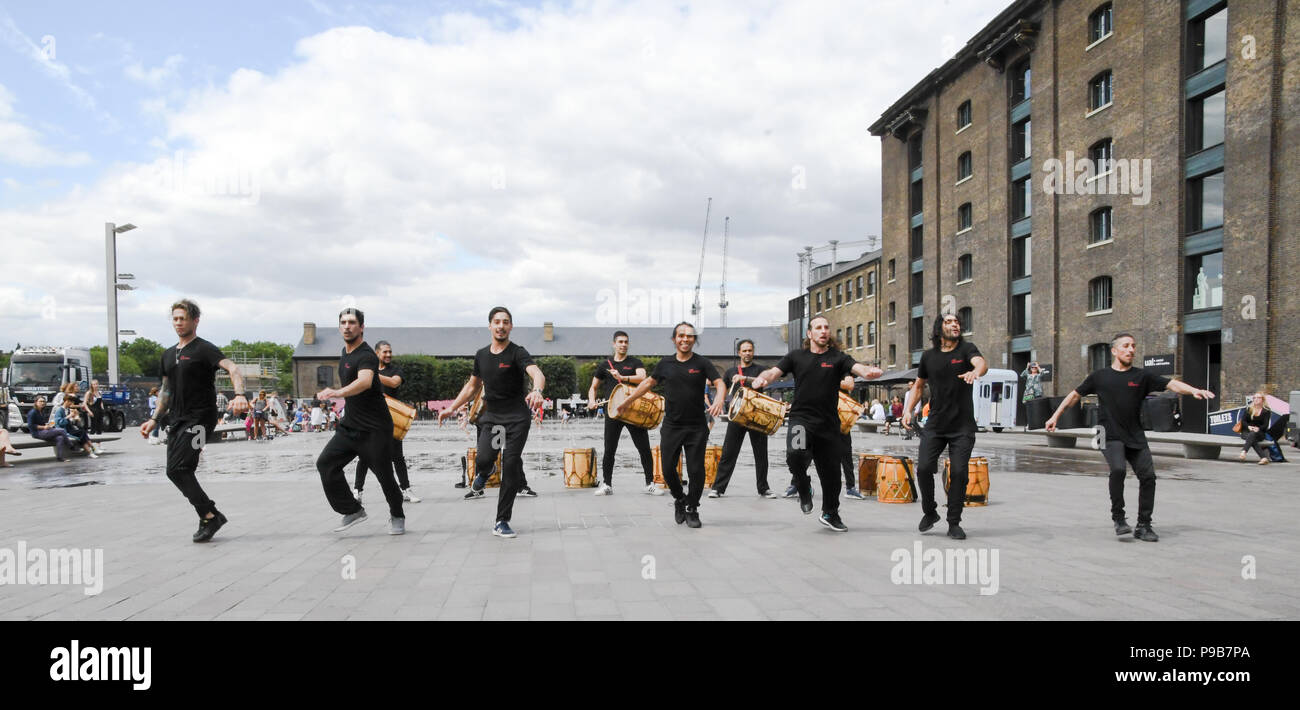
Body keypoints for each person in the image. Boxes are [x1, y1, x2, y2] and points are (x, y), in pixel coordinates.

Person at [1045, 332, 1215, 542]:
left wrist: (1193, 390)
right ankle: (1119, 518)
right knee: (1118, 470)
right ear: (1115, 351)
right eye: (1126, 346)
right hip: (1106, 432)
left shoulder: (1141, 376)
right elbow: (1074, 395)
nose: (1131, 349)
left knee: (1149, 477)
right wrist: (1055, 416)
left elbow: (1171, 384)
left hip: (1134, 433)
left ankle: (1144, 525)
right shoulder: (1100, 376)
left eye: (1133, 346)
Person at [751, 315, 883, 532]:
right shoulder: (796, 357)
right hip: (801, 420)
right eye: (818, 328)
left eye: (826, 327)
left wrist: (868, 372)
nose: (823, 331)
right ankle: (804, 486)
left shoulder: (838, 358)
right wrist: (763, 379)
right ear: (809, 334)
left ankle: (830, 513)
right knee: (795, 455)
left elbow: (856, 369)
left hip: (828, 426)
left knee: (831, 476)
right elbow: (773, 372)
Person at [140, 299, 251, 543]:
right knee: (175, 471)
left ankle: (210, 516)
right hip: (177, 419)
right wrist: (154, 419)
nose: (178, 323)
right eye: (175, 318)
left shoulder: (204, 349)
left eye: (183, 318)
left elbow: (232, 368)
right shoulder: (168, 355)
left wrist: (240, 394)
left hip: (201, 419)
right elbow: (166, 391)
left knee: (180, 468)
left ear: (195, 321)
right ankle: (209, 515)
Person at [439, 306, 546, 538]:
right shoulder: (482, 355)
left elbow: (537, 373)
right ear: (490, 326)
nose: (501, 325)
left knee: (511, 465)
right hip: (494, 421)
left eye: (506, 322)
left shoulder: (518, 352)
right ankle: (486, 471)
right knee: (485, 458)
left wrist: (537, 390)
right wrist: (451, 408)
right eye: (497, 321)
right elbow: (472, 386)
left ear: (511, 326)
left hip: (517, 419)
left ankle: (501, 520)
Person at [613, 322, 725, 529]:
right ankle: (679, 498)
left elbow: (719, 382)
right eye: (681, 336)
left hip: (696, 427)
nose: (685, 339)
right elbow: (647, 384)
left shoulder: (702, 363)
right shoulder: (665, 364)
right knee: (666, 470)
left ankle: (692, 508)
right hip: (672, 426)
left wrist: (719, 399)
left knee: (696, 470)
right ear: (674, 339)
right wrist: (627, 401)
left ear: (694, 340)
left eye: (690, 336)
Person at [314, 308, 406, 535]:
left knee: (384, 475)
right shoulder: (345, 354)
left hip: (374, 429)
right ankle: (352, 509)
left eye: (352, 322)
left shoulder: (366, 356)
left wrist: (337, 392)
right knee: (325, 464)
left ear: (361, 327)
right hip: (350, 426)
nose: (347, 326)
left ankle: (397, 515)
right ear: (339, 327)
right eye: (343, 322)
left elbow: (365, 382)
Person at [901, 314, 987, 540]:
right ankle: (930, 513)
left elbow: (981, 363)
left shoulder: (967, 349)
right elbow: (919, 386)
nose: (955, 324)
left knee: (959, 472)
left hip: (963, 426)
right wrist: (908, 410)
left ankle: (954, 522)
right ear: (939, 329)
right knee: (923, 468)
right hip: (936, 425)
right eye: (949, 322)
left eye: (957, 321)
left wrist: (975, 372)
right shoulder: (929, 356)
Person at [586, 330, 657, 496]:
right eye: (620, 342)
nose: (623, 344)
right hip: (613, 412)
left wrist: (622, 377)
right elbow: (593, 387)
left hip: (633, 410)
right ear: (614, 344)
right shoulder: (605, 365)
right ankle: (607, 484)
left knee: (644, 448)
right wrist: (591, 400)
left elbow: (643, 377)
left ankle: (650, 484)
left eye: (626, 342)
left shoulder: (635, 362)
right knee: (609, 449)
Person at [710, 338, 778, 499]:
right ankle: (718, 488)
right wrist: (717, 403)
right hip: (737, 416)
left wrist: (745, 380)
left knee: (761, 454)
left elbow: (764, 381)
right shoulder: (730, 372)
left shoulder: (761, 369)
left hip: (757, 416)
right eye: (744, 350)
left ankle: (764, 488)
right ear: (739, 353)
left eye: (750, 350)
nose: (747, 353)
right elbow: (723, 390)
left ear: (753, 352)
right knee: (728, 452)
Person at [353, 340, 420, 503]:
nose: (389, 354)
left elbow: (394, 382)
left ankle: (406, 490)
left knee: (397, 457)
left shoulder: (394, 370)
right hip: (371, 418)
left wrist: (371, 374)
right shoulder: (366, 371)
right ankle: (357, 491)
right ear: (377, 353)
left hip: (392, 420)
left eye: (390, 352)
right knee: (364, 456)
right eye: (385, 352)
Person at [27, 396, 71, 461]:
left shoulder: (42, 411)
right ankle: (71, 446)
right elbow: (31, 425)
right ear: (36, 402)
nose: (42, 403)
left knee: (60, 438)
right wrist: (44, 427)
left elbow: (42, 423)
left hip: (44, 430)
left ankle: (60, 457)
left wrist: (48, 425)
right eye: (40, 401)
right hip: (37, 432)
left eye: (43, 401)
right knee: (61, 431)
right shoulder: (32, 412)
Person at [1236, 391, 1273, 465]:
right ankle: (1263, 457)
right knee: (1252, 437)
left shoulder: (1266, 411)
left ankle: (1244, 452)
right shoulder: (1249, 409)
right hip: (1246, 432)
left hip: (1259, 433)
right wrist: (1249, 427)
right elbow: (1243, 421)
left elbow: (1265, 425)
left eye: (1258, 398)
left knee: (1253, 435)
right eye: (1254, 398)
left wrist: (1258, 428)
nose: (1256, 399)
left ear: (1262, 399)